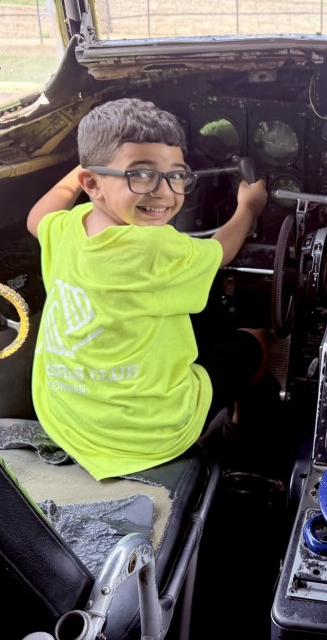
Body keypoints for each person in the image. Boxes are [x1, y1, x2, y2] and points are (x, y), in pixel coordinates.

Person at [26, 97, 271, 481]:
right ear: (94, 182)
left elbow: (37, 216)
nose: (164, 192)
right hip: (149, 432)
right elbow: (222, 251)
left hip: (69, 415)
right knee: (257, 340)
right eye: (140, 174)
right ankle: (238, 432)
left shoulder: (65, 228)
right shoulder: (154, 247)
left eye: (176, 175)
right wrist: (249, 207)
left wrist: (81, 172)